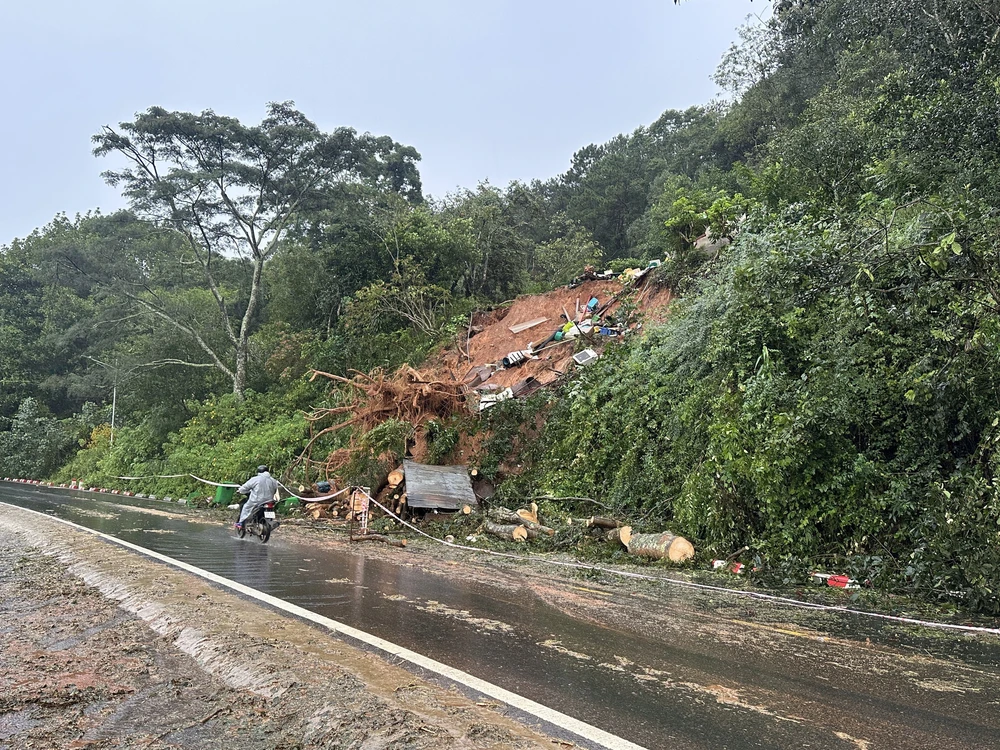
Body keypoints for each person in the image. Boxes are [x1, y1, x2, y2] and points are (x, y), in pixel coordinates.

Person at [235, 465, 278, 529]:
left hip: (257, 501)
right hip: (270, 501)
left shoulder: (255, 479)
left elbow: (245, 487)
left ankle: (241, 523)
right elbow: (275, 490)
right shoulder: (273, 480)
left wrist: (240, 490)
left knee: (246, 507)